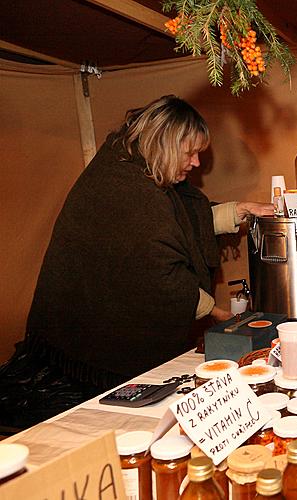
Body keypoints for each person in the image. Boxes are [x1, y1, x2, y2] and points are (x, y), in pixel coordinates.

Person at [0, 95, 272, 427]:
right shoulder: (125, 186)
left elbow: (183, 222)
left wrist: (240, 210)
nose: (197, 163)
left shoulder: (145, 173)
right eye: (190, 153)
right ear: (166, 145)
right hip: (83, 350)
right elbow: (159, 272)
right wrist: (217, 314)